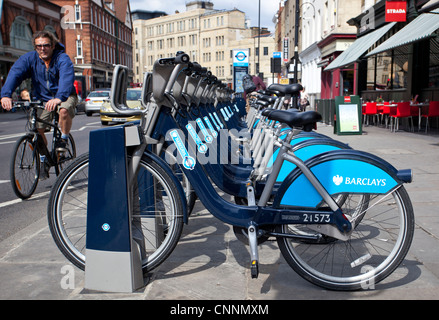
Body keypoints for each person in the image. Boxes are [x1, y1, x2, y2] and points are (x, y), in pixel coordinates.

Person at [1, 30, 78, 179]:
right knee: (37, 129)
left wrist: (59, 97)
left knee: (63, 111)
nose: (42, 49)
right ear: (35, 47)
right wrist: (6, 95)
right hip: (42, 99)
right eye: (39, 46)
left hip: (65, 95)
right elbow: (15, 73)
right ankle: (44, 160)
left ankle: (63, 138)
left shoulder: (62, 59)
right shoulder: (30, 59)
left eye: (46, 45)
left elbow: (66, 78)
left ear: (53, 45)